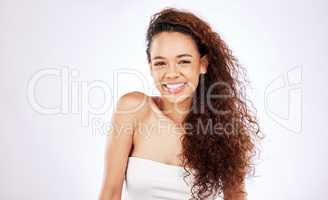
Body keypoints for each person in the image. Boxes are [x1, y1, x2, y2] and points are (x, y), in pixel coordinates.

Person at [99, 7, 261, 200]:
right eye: (160, 63)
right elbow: (110, 193)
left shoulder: (224, 130)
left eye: (183, 61)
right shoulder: (133, 109)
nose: (172, 73)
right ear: (151, 67)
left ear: (203, 64)